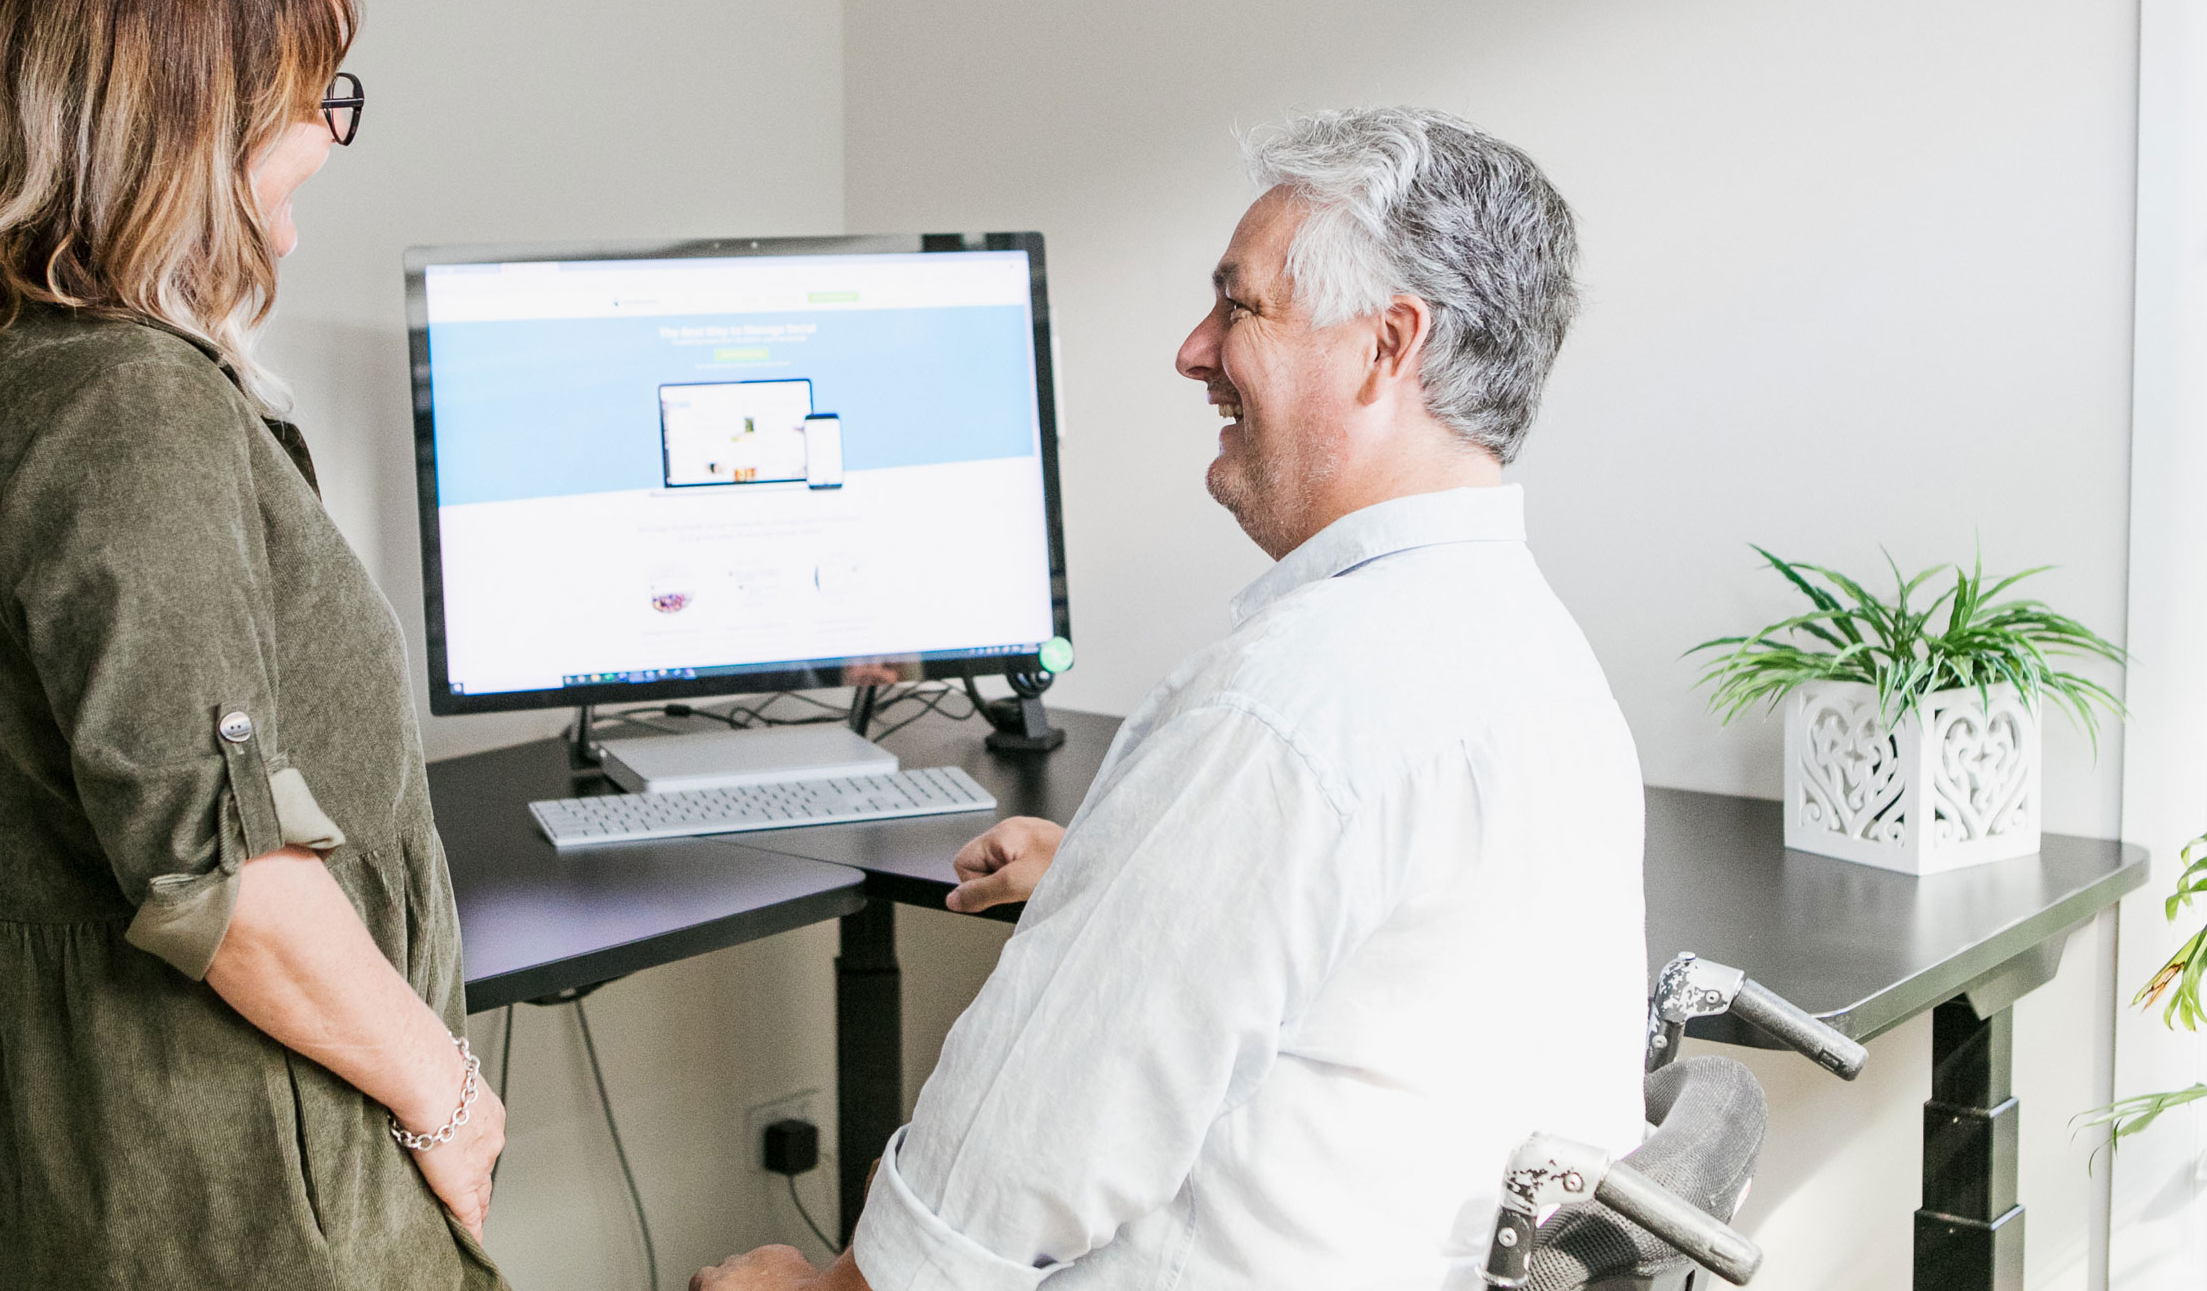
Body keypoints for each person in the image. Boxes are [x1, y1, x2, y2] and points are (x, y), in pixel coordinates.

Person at [698, 107, 1647, 1290]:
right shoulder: (1529, 649)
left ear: (1383, 346)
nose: (1195, 349)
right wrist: (1131, 876)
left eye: (1240, 306)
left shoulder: (1287, 714)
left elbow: (1010, 1175)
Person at [0, 0, 505, 1291]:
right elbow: (224, 886)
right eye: (313, 99)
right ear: (185, 125)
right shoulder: (127, 406)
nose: (328, 139)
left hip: (70, 1134)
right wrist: (452, 1101)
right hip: (216, 1155)